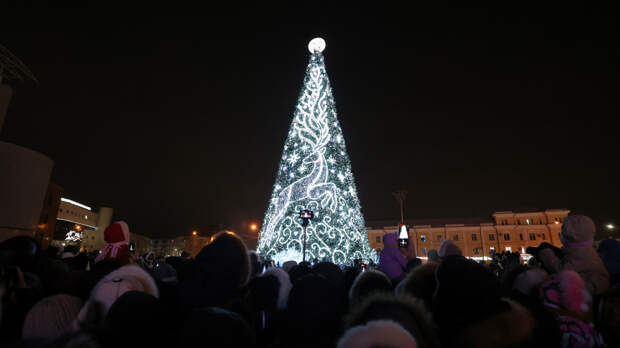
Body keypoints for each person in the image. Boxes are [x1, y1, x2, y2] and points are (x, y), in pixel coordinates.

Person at [537, 215, 609, 295]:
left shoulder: (581, 253)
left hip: (587, 291)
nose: (561, 234)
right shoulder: (581, 250)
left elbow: (562, 270)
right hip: (588, 287)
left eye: (563, 231)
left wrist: (546, 254)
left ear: (570, 235)